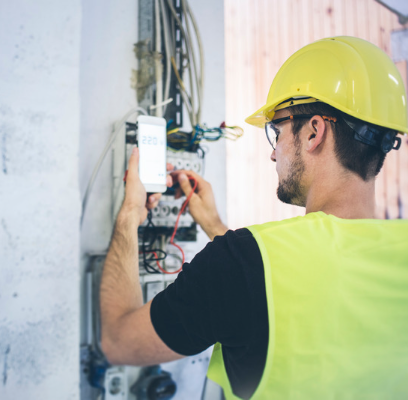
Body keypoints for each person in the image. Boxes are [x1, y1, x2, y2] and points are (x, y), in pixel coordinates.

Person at [99, 36, 408, 399]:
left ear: (313, 132)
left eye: (276, 131)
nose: (274, 154)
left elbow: (118, 341)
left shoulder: (242, 261)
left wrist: (130, 212)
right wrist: (215, 227)